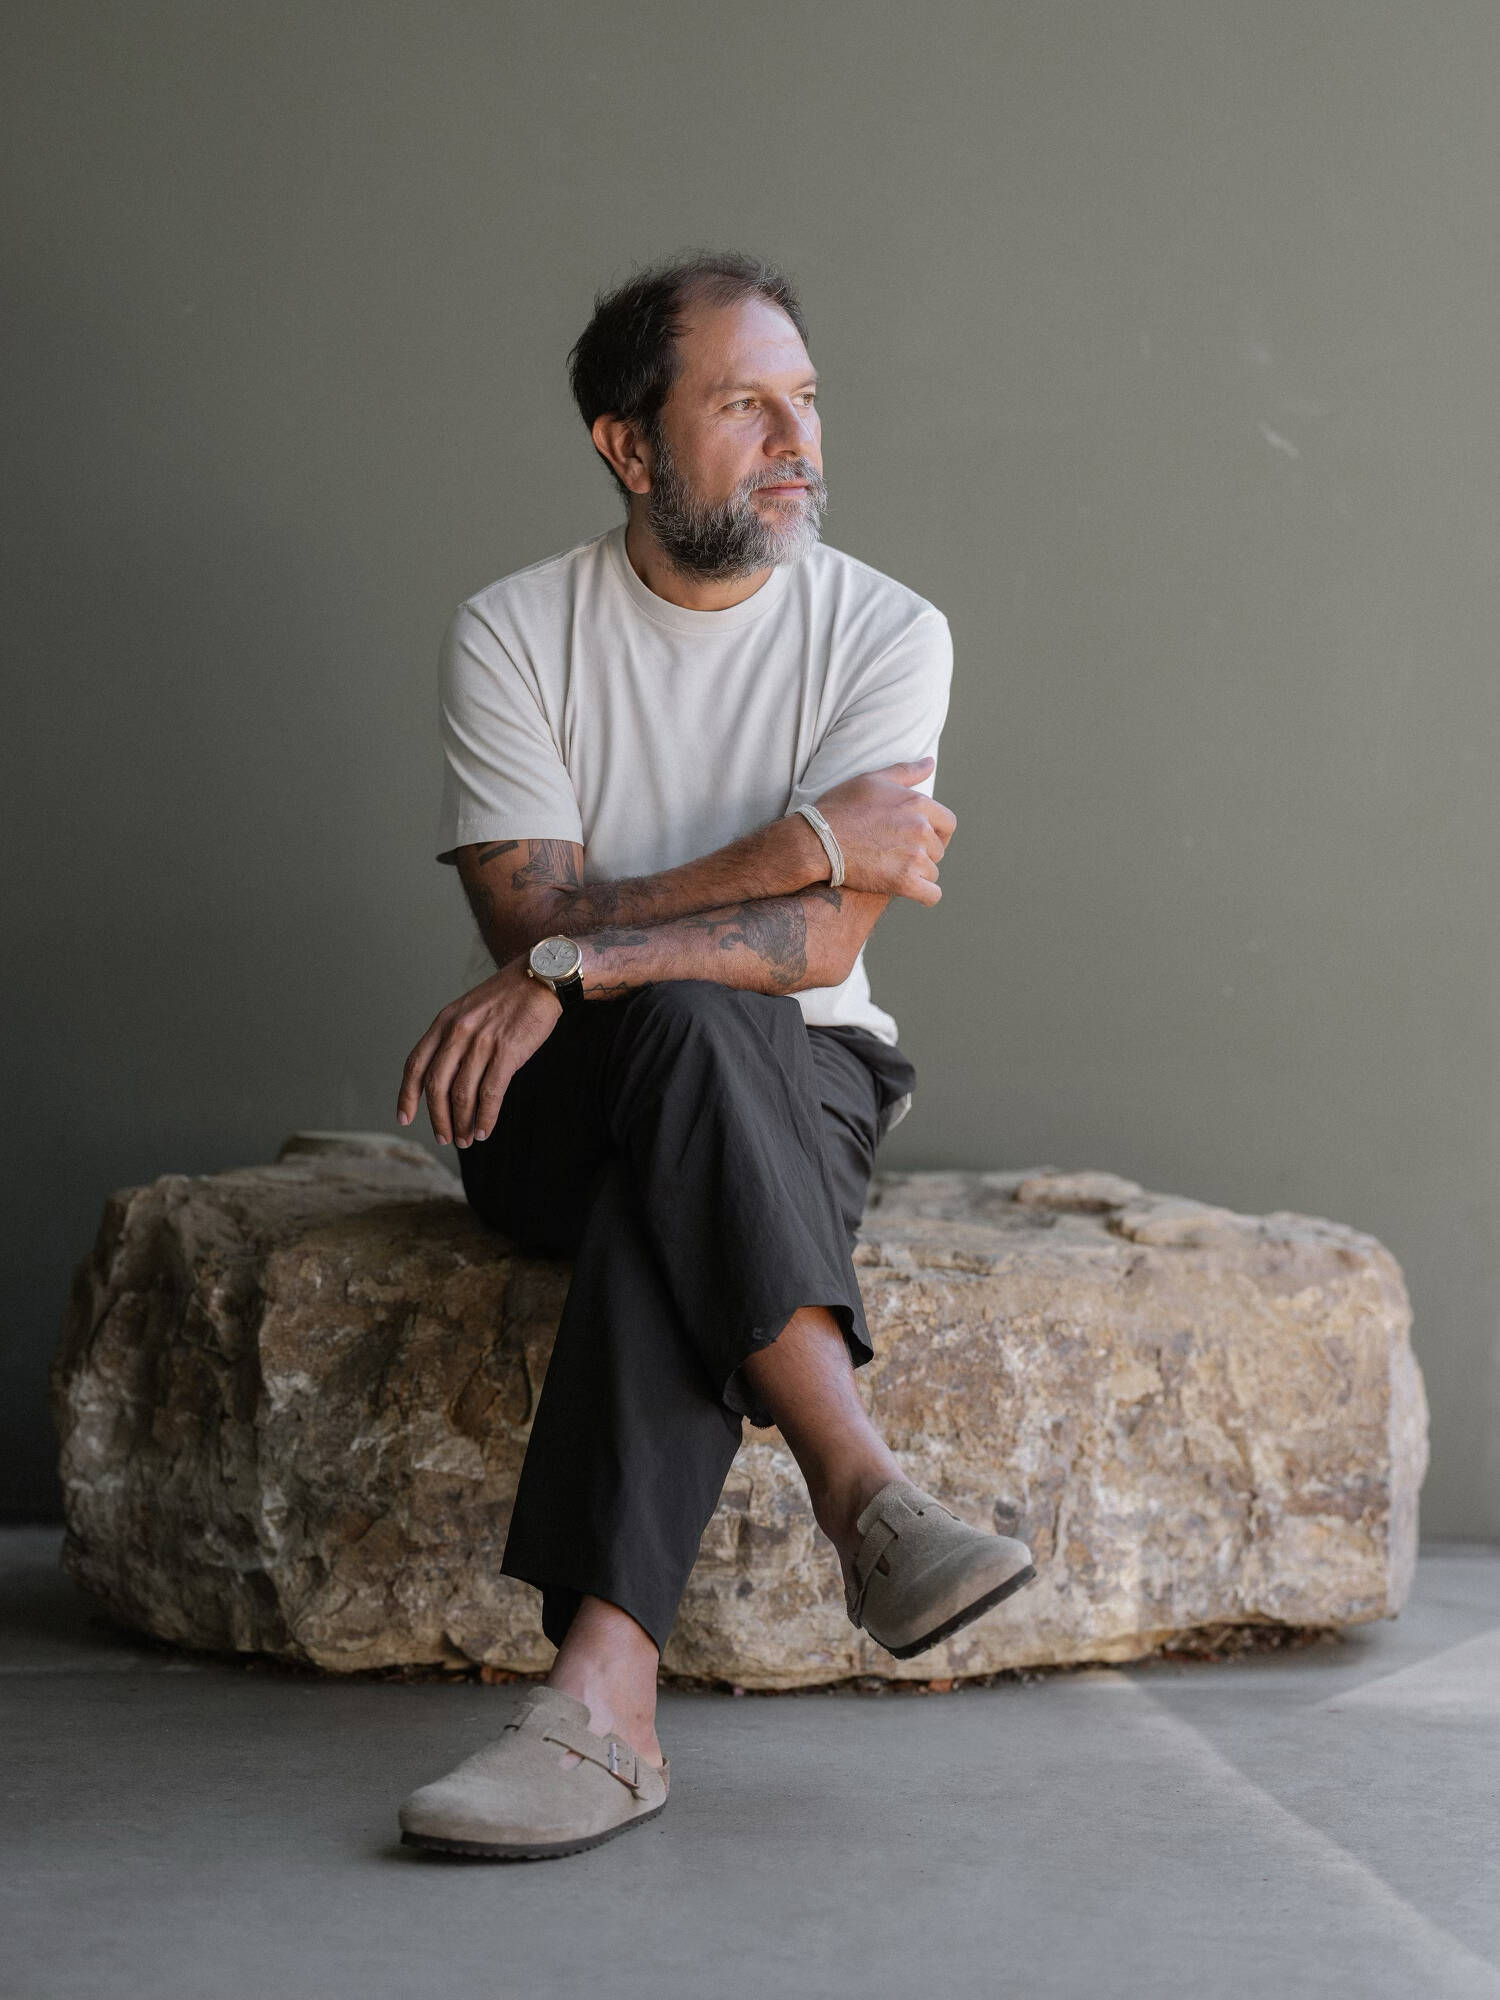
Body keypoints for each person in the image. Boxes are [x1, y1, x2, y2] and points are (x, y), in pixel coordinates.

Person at [392, 251, 1036, 1860]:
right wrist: (806, 841)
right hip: (543, 1095)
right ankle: (861, 1487)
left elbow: (815, 953)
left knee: (685, 1108)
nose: (795, 438)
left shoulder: (886, 629)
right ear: (629, 446)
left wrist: (590, 957)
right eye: (744, 405)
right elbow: (524, 914)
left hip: (801, 1083)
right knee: (687, 1030)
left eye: (803, 399)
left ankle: (600, 1704)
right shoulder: (514, 630)